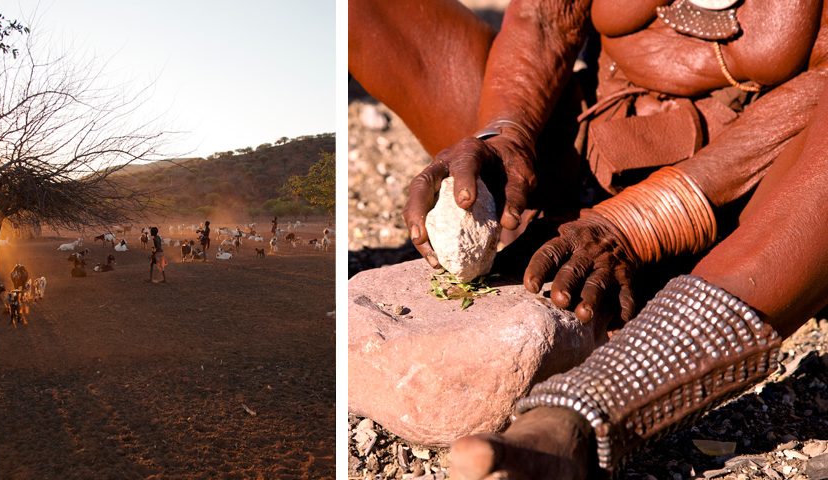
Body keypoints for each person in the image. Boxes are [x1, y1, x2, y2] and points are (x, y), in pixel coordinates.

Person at [350, 0, 828, 478]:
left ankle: (578, 419)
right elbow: (542, 19)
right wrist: (507, 136)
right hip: (578, 158)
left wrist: (644, 221)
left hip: (751, 208)